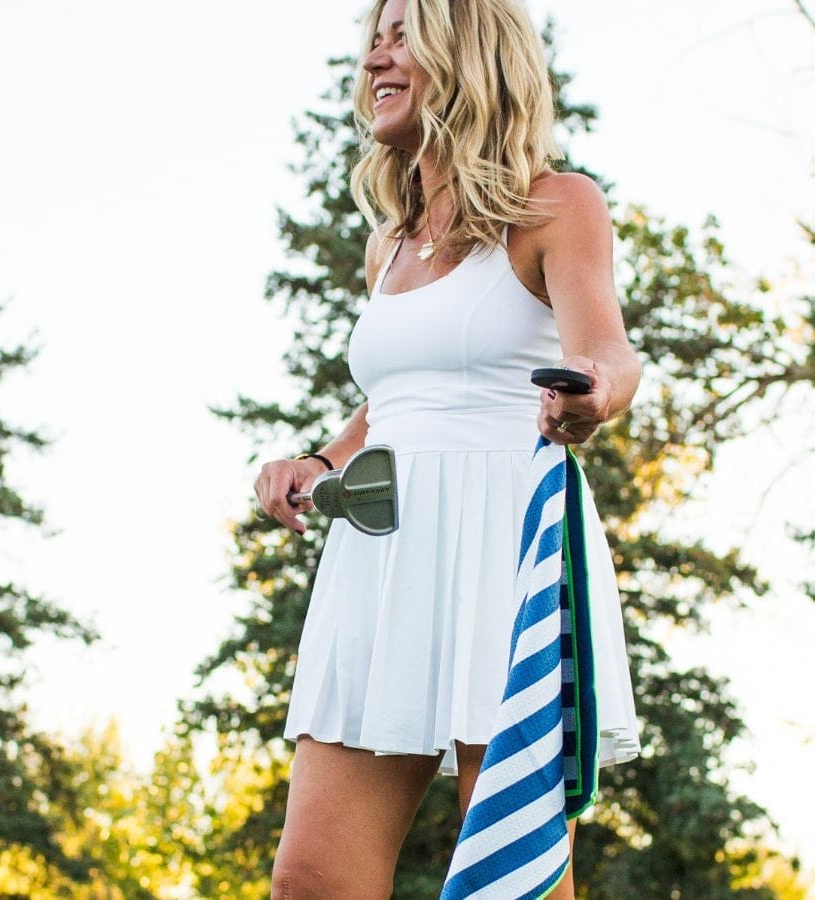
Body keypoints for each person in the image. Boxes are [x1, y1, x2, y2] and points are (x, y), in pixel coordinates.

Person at [249, 0, 646, 894]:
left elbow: (610, 353)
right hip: (381, 551)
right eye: (373, 41)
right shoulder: (389, 243)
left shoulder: (556, 204)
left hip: (505, 538)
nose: (374, 61)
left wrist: (592, 392)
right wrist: (320, 464)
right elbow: (392, 403)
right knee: (310, 881)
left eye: (402, 38)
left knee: (511, 874)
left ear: (466, 53)